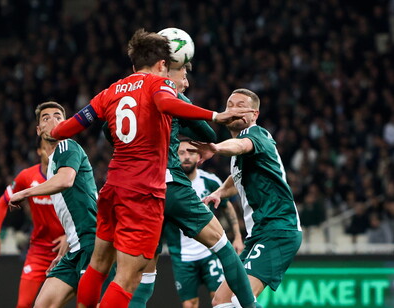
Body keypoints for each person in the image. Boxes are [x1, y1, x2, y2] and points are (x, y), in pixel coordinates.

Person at [50, 29, 257, 308]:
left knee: (99, 265)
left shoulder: (111, 91)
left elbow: (69, 127)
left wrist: (55, 129)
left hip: (113, 188)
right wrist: (215, 115)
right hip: (145, 192)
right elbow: (167, 104)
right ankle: (250, 304)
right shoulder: (160, 86)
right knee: (127, 277)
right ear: (162, 65)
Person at [190, 88, 302, 308]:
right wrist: (220, 192)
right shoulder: (241, 155)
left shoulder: (255, 135)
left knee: (241, 300)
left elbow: (240, 146)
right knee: (221, 301)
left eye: (241, 106)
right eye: (230, 105)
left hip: (278, 229)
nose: (234, 109)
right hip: (258, 234)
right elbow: (236, 178)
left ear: (255, 114)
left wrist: (217, 148)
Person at [8, 101, 98, 308]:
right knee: (43, 305)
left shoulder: (67, 145)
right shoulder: (52, 164)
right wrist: (68, 240)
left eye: (58, 116)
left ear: (66, 123)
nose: (53, 120)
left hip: (91, 243)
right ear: (38, 130)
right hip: (75, 247)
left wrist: (24, 193)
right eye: (46, 118)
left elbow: (66, 180)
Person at [0, 137, 66, 308]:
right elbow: (3, 202)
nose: (51, 153)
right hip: (39, 250)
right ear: (38, 151)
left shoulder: (68, 177)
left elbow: (89, 209)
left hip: (69, 251)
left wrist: (68, 236)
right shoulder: (27, 176)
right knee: (23, 304)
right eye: (46, 149)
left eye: (54, 148)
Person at [162, 139, 244, 308]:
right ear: (174, 157)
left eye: (191, 152)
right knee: (189, 304)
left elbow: (226, 207)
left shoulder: (210, 181)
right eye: (181, 153)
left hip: (210, 252)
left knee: (220, 298)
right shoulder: (166, 186)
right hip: (182, 256)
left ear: (199, 156)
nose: (186, 157)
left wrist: (237, 237)